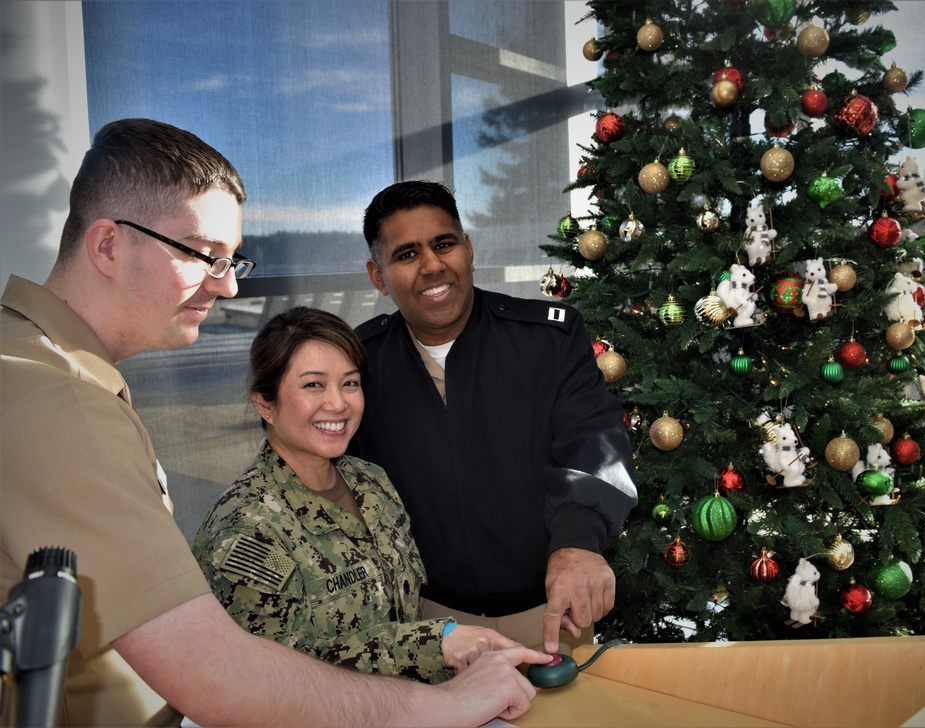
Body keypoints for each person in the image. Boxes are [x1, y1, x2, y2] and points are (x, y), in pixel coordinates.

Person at [0, 119, 546, 728]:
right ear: (107, 245)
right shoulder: (54, 397)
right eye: (204, 256)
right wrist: (443, 703)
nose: (229, 285)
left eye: (234, 261)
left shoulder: (52, 374)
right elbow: (215, 673)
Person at [351, 180, 638, 656]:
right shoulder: (357, 365)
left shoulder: (549, 340)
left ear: (468, 248)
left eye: (444, 244)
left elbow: (595, 443)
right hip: (425, 627)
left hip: (550, 611)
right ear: (378, 275)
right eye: (406, 254)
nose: (432, 265)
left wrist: (576, 543)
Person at [194, 306, 527, 684]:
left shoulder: (370, 482)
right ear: (265, 404)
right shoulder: (248, 530)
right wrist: (433, 644)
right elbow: (270, 676)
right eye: (313, 385)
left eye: (350, 383)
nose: (338, 403)